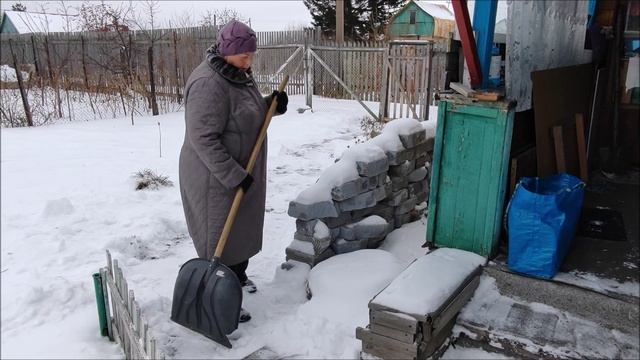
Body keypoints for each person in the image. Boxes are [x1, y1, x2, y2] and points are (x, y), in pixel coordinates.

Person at [178, 20, 288, 323]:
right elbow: (203, 138)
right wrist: (233, 175)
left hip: (241, 169)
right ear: (227, 51)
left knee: (240, 232)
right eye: (244, 55)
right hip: (213, 176)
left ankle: (236, 280)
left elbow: (244, 115)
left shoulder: (239, 75)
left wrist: (270, 106)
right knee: (219, 239)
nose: (249, 61)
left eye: (252, 54)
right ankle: (215, 298)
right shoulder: (207, 84)